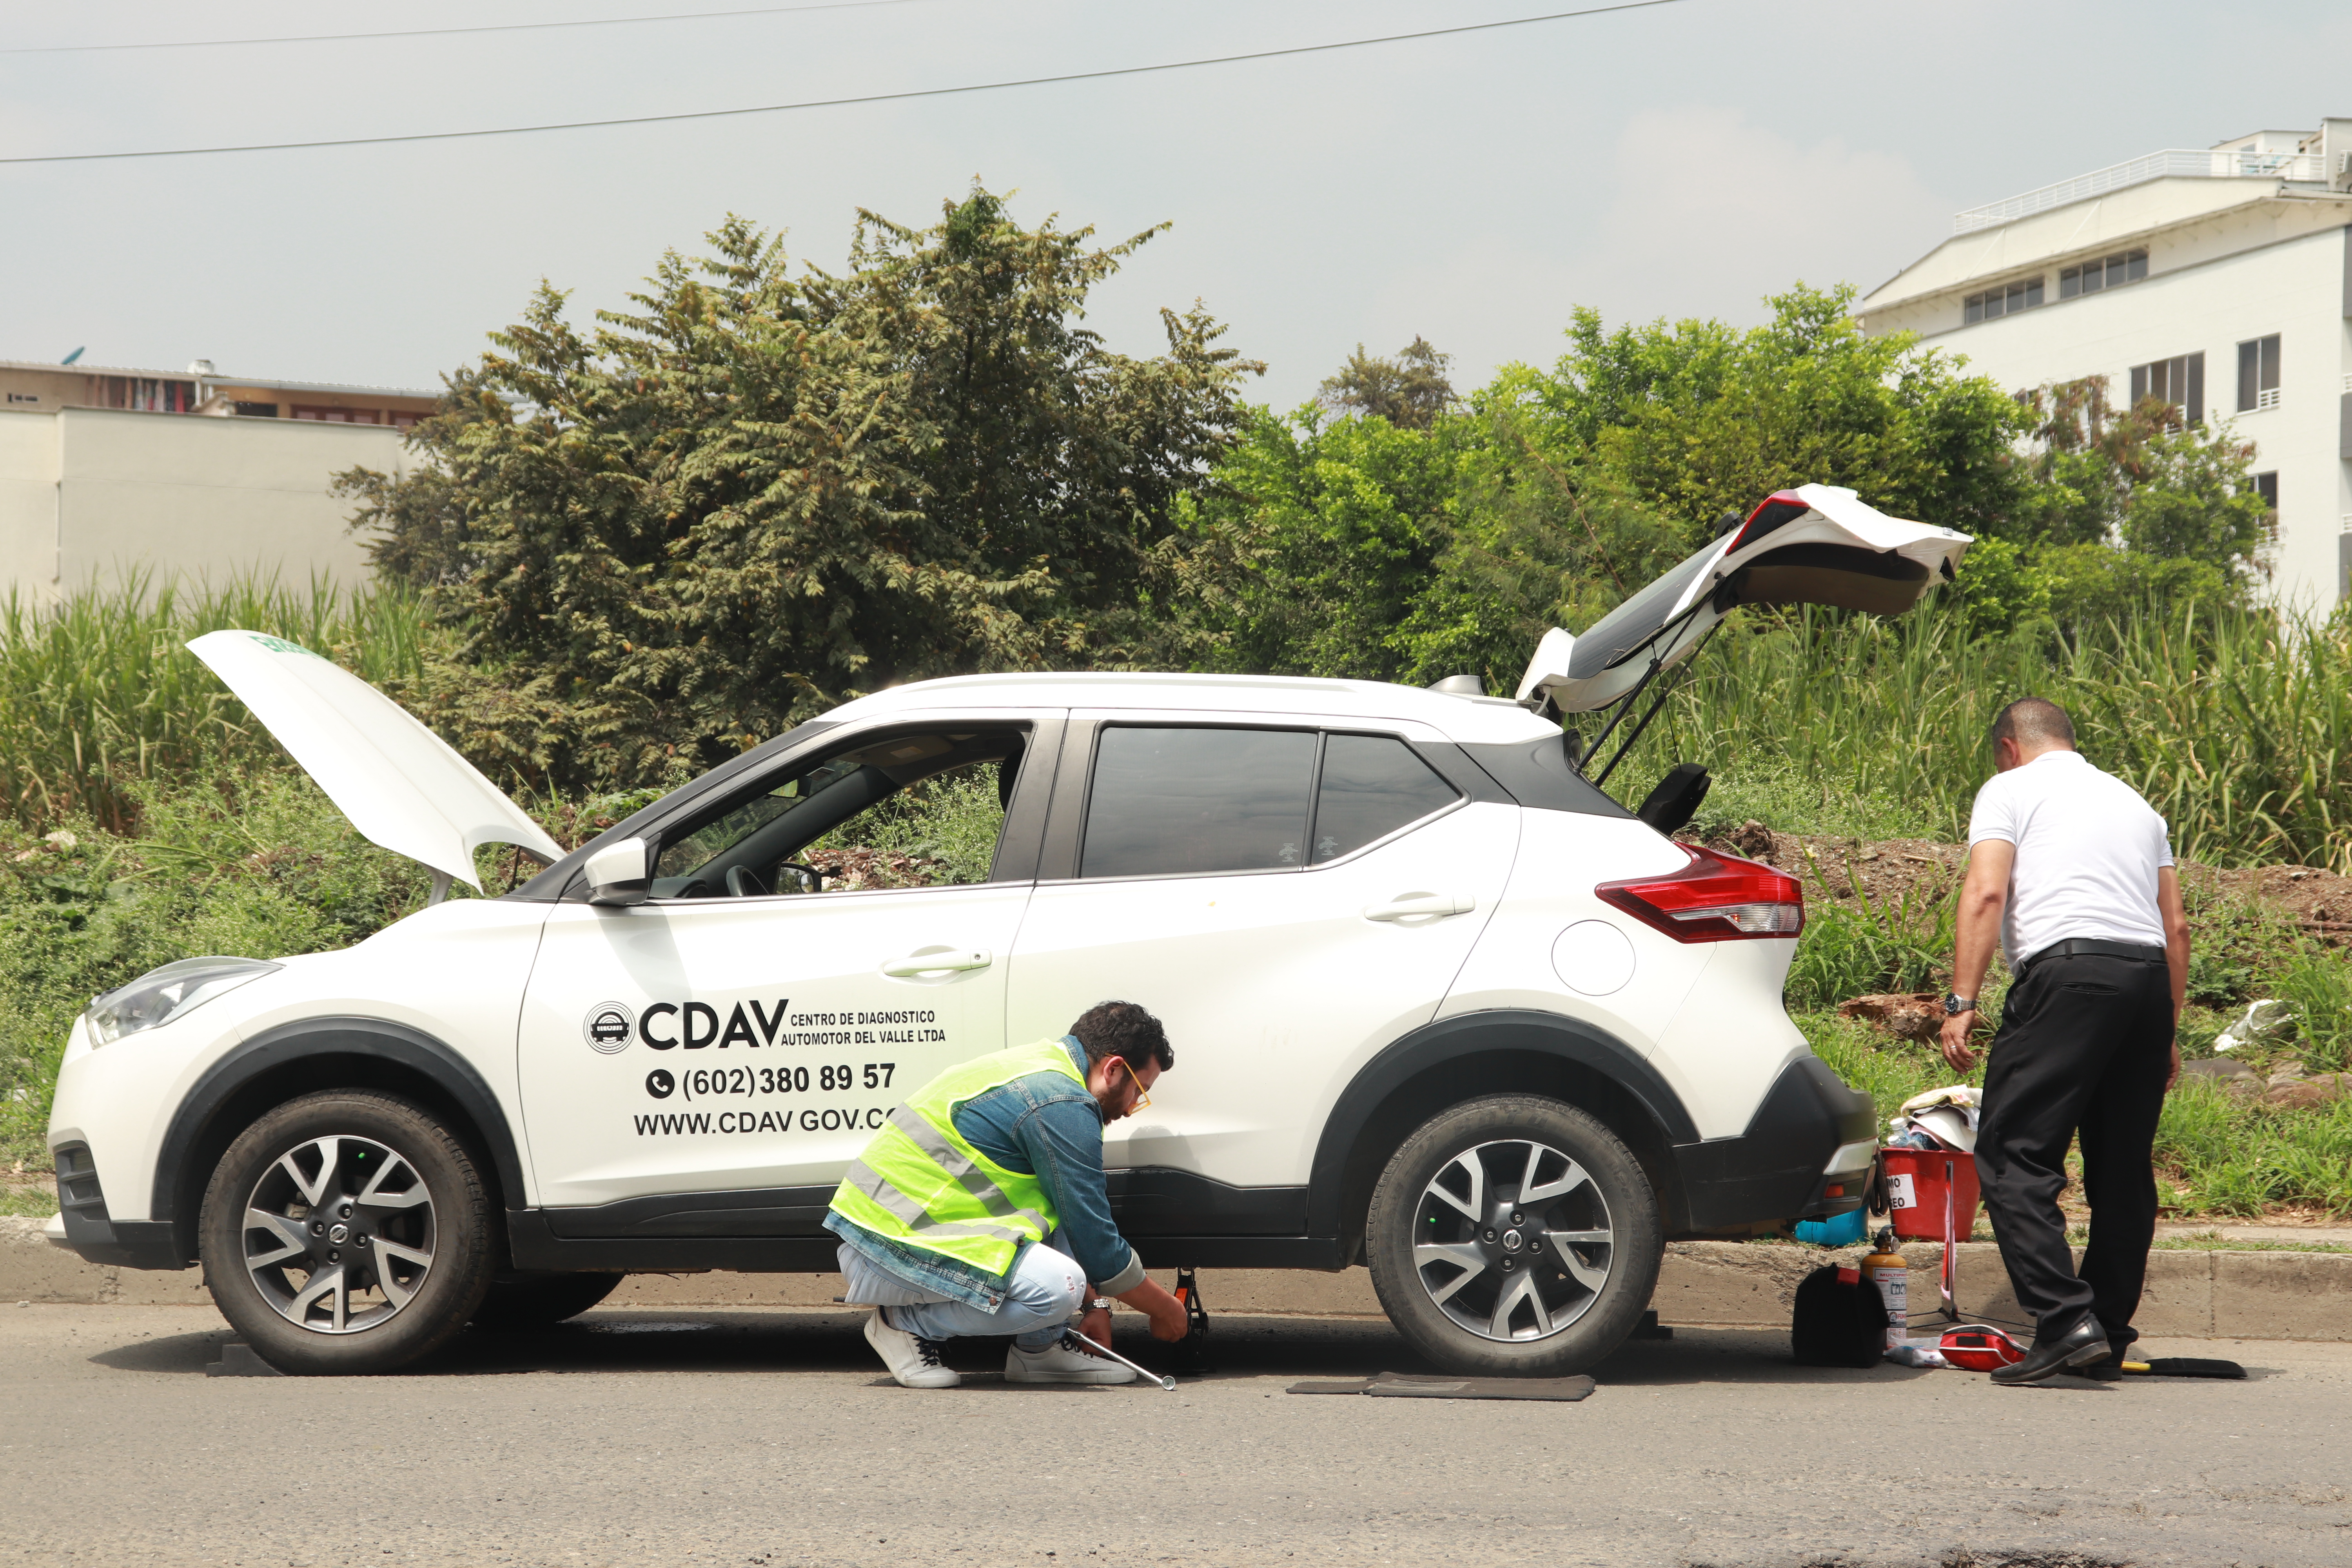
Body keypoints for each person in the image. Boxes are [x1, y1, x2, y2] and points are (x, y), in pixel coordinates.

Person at [1939, 697, 2190, 1387]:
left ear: (2008, 747)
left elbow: (1987, 894)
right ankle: (2106, 1329)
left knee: (2013, 1153)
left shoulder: (2010, 789)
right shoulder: (2138, 806)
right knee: (2122, 1169)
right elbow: (2175, 929)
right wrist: (2166, 1026)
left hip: (2070, 976)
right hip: (2142, 982)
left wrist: (1962, 1001)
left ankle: (2063, 1320)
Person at [824, 1000, 1192, 1388]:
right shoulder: (1061, 1102)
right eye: (1140, 1091)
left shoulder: (1047, 1071)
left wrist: (1096, 1303)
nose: (1134, 1107)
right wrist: (1165, 1309)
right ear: (1114, 1068)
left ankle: (1040, 1350)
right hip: (886, 1249)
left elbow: (1069, 1212)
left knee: (1061, 1232)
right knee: (1059, 1288)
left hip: (910, 1236)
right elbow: (1096, 1242)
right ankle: (902, 1323)